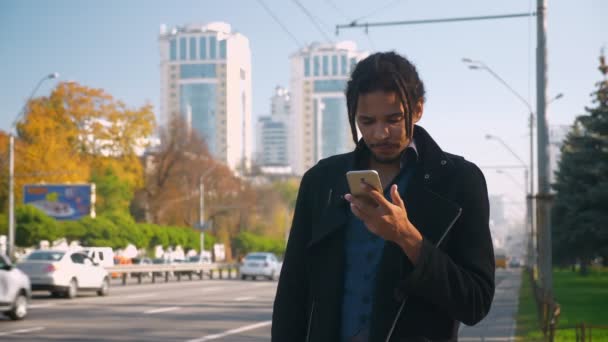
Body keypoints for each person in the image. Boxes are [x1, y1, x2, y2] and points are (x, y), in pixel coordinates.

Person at [272, 51, 495, 342]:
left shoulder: (459, 181)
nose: (380, 133)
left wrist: (408, 238)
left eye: (394, 119)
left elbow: (475, 302)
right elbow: (292, 293)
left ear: (417, 110)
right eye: (367, 121)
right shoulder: (322, 181)